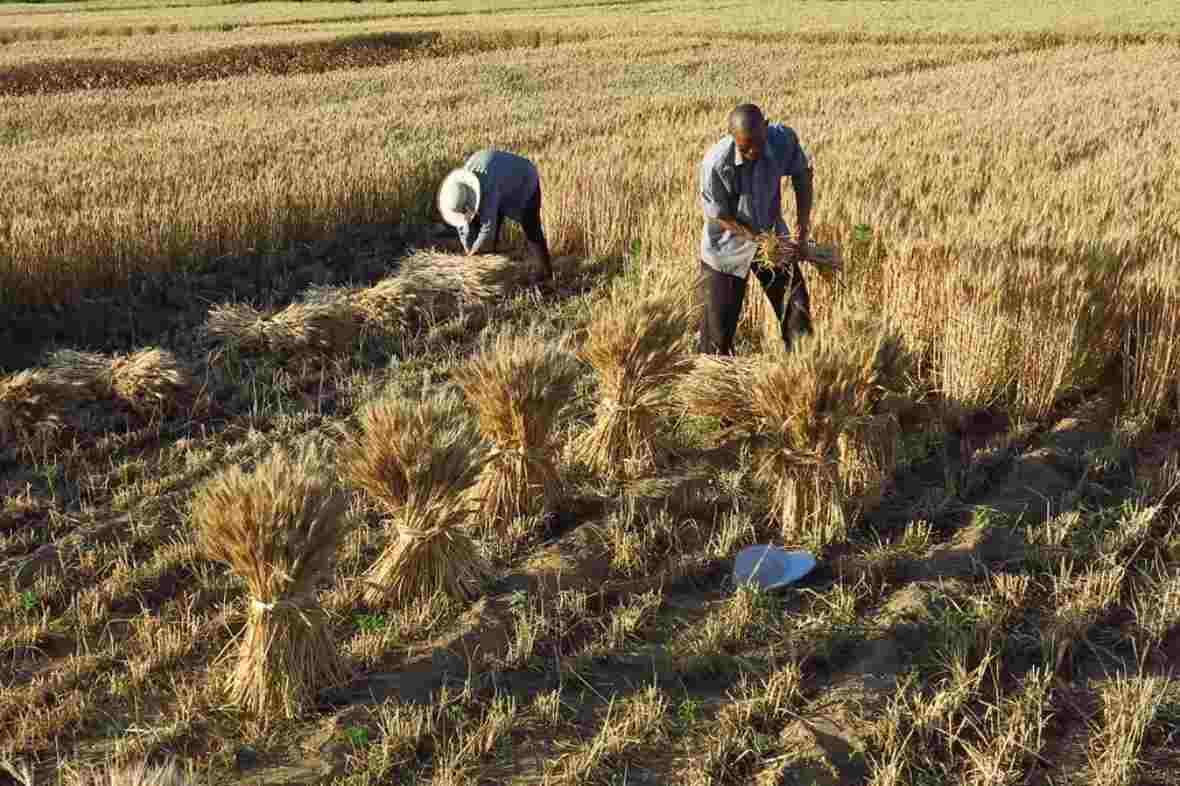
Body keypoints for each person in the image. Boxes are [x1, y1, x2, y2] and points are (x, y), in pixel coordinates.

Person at [697, 103, 814, 355]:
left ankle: (803, 377)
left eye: (759, 142)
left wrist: (802, 230)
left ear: (766, 125)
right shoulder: (716, 163)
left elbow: (803, 176)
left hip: (772, 241)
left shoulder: (782, 140)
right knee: (717, 334)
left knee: (797, 311)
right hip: (726, 249)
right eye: (744, 146)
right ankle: (714, 387)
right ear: (732, 137)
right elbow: (718, 214)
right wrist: (756, 238)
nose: (753, 151)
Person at [436, 148, 555, 282]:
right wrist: (469, 249)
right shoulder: (460, 186)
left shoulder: (488, 188)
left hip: (523, 178)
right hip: (499, 178)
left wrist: (472, 256)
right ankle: (491, 270)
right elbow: (463, 224)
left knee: (531, 228)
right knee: (479, 222)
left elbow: (488, 229)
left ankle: (546, 274)